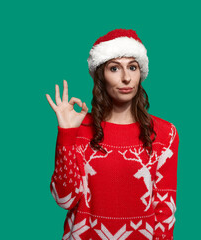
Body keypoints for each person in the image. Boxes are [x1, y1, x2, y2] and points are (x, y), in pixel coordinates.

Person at [46, 28, 180, 240]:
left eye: (132, 67)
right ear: (101, 75)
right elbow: (65, 200)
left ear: (141, 73)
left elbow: (165, 210)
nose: (126, 78)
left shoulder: (165, 133)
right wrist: (66, 134)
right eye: (115, 68)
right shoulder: (79, 128)